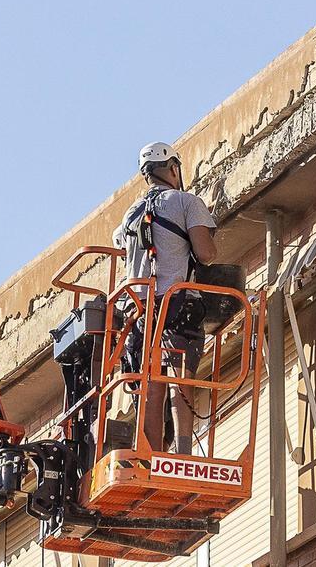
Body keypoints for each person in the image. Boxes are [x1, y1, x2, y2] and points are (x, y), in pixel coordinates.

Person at [113, 141, 218, 455]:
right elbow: (206, 254)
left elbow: (122, 250)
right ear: (173, 168)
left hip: (137, 311)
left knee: (150, 386)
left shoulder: (130, 215)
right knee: (180, 381)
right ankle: (183, 453)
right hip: (175, 303)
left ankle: (150, 455)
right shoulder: (186, 202)